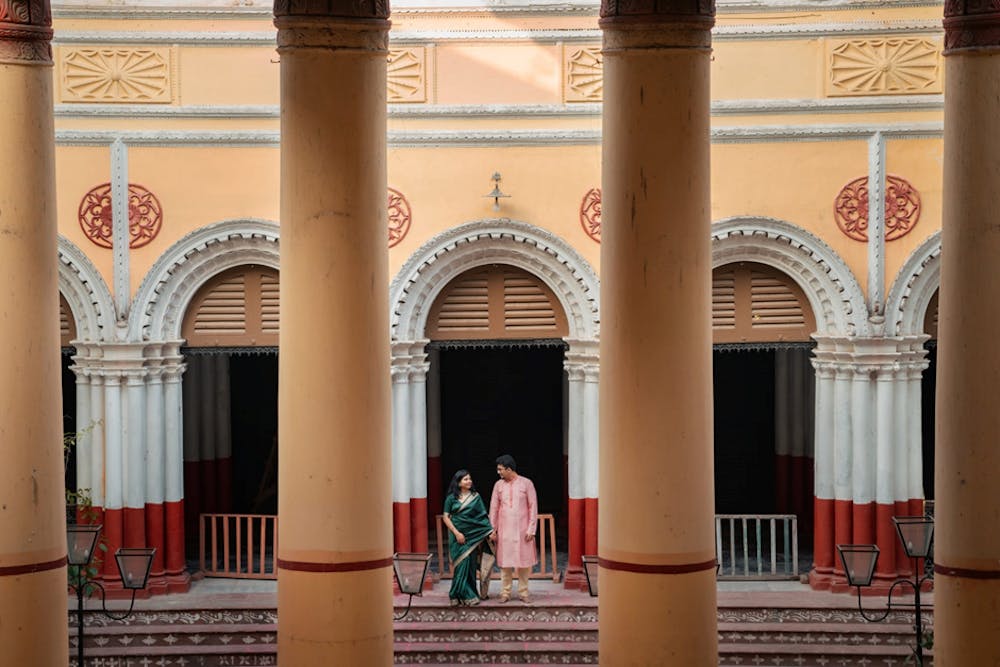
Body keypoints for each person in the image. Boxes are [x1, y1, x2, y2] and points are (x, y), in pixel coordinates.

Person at [488, 454, 538, 603]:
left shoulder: (526, 483)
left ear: (509, 469)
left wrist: (531, 529)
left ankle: (523, 592)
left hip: (523, 530)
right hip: (505, 531)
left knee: (524, 563)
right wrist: (492, 529)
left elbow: (533, 506)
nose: (498, 472)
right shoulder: (498, 485)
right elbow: (494, 508)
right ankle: (505, 593)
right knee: (505, 564)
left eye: (500, 469)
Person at [441, 469, 495, 606]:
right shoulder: (451, 498)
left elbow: (482, 516)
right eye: (465, 479)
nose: (469, 481)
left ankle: (468, 594)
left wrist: (489, 530)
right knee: (461, 565)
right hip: (457, 537)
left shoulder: (475, 497)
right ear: (458, 482)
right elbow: (446, 517)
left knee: (470, 566)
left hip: (472, 536)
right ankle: (456, 594)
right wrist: (457, 533)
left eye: (470, 479)